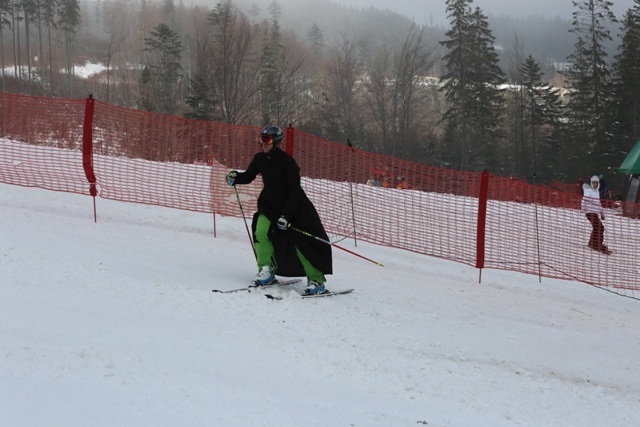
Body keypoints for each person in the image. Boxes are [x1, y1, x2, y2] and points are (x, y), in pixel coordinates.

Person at [225, 125, 332, 295]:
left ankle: (316, 280)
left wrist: (287, 215)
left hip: (294, 207)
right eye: (261, 139)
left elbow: (295, 191)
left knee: (302, 242)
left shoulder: (288, 162)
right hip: (270, 206)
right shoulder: (260, 159)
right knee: (260, 232)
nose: (263, 143)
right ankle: (266, 270)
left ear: (276, 142)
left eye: (266, 140)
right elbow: (248, 176)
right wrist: (236, 177)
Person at [581, 175, 610, 254]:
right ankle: (597, 245)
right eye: (593, 183)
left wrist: (602, 213)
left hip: (594, 212)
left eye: (596, 183)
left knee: (597, 227)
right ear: (591, 183)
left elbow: (598, 203)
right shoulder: (588, 190)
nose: (595, 185)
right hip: (589, 212)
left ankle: (592, 243)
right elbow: (584, 199)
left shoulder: (596, 192)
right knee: (600, 227)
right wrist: (583, 209)